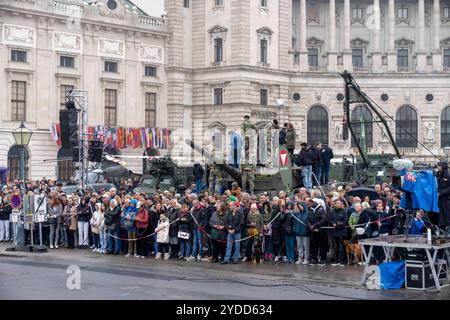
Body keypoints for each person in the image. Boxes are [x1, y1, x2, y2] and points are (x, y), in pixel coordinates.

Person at [307, 198, 328, 266]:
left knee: (322, 244)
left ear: (316, 202)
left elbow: (323, 219)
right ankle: (314, 258)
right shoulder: (310, 209)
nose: (311, 203)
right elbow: (307, 219)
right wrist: (310, 226)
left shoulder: (321, 210)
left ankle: (323, 259)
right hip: (312, 230)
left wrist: (314, 225)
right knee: (314, 244)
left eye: (312, 201)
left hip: (320, 230)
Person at [329, 199, 348, 266]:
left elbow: (345, 221)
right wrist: (333, 224)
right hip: (335, 231)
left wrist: (337, 224)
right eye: (337, 203)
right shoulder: (332, 212)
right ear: (335, 204)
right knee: (335, 246)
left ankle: (342, 261)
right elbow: (330, 220)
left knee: (341, 246)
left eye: (340, 203)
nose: (339, 204)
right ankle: (336, 260)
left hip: (342, 231)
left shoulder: (344, 211)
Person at [293, 200, 310, 265]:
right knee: (299, 246)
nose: (300, 207)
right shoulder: (297, 214)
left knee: (306, 246)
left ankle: (306, 258)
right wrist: (295, 230)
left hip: (305, 233)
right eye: (299, 206)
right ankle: (300, 258)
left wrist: (308, 227)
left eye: (301, 206)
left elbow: (309, 223)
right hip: (298, 233)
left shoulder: (308, 214)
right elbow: (294, 223)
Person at [437, 161, 450, 235]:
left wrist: (441, 192)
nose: (438, 167)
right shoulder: (440, 175)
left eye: (439, 166)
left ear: (442, 166)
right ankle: (442, 233)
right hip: (441, 200)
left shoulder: (448, 175)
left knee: (447, 218)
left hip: (446, 200)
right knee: (441, 219)